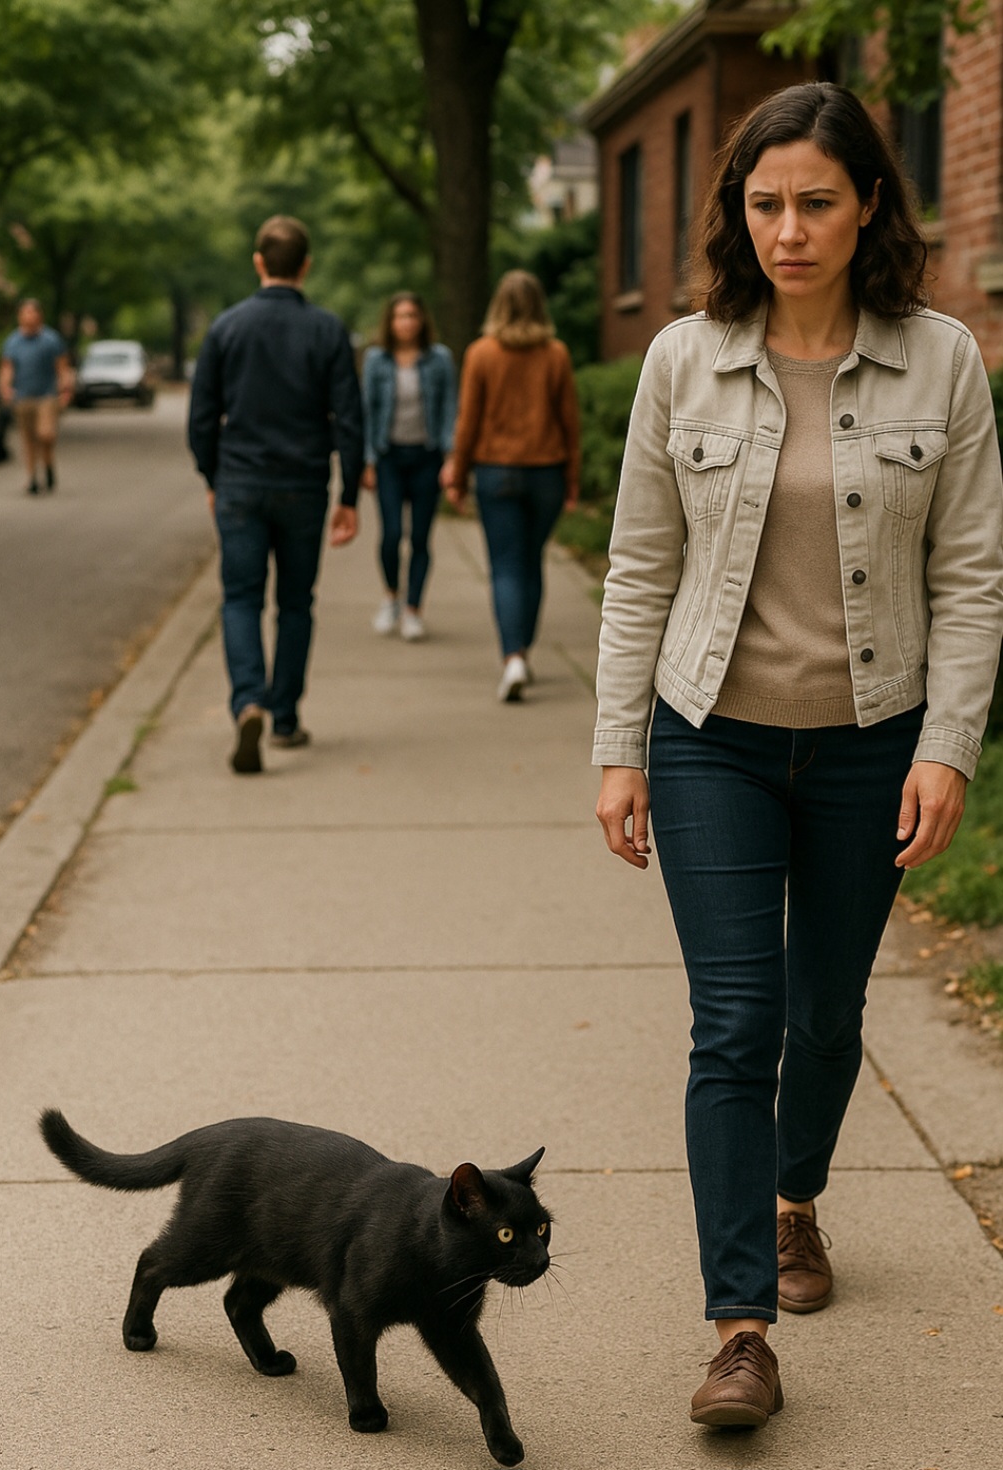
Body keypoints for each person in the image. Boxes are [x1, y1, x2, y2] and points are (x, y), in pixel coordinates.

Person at [593, 82, 1003, 1429]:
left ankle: (794, 1196)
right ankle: (739, 1326)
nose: (789, 229)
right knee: (737, 1021)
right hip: (709, 736)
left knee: (826, 1013)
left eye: (816, 202)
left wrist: (947, 746)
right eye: (764, 204)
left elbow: (972, 570)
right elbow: (640, 565)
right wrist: (619, 748)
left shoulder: (940, 359)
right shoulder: (682, 360)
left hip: (869, 745)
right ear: (738, 213)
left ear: (870, 203)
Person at [188, 215, 363, 774]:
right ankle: (285, 717)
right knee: (294, 602)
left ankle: (248, 701)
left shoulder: (226, 328)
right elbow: (349, 420)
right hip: (303, 486)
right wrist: (350, 495)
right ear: (306, 265)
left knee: (240, 597)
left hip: (240, 481)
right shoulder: (328, 330)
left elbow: (199, 418)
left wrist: (213, 477)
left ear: (259, 262)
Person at [444, 270, 580, 701]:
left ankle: (513, 657)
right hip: (547, 472)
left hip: (496, 471)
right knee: (530, 561)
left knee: (505, 565)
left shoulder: (481, 353)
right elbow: (570, 424)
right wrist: (572, 482)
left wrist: (458, 473)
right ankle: (525, 649)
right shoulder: (555, 354)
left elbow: (468, 421)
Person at [362, 293, 456, 641]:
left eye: (413, 315)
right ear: (390, 322)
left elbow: (449, 406)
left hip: (426, 457)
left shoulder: (439, 359)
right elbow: (366, 410)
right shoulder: (376, 360)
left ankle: (414, 609)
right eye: (400, 316)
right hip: (388, 457)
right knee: (390, 535)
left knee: (419, 536)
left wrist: (450, 456)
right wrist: (367, 460)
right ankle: (391, 598)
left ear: (422, 320)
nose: (407, 322)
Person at [0, 299, 72, 496]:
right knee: (29, 439)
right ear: (19, 316)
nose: (29, 317)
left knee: (45, 434)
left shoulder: (51, 340)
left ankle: (48, 463)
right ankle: (32, 477)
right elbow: (7, 368)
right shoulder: (12, 342)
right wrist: (6, 388)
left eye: (32, 313)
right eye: (25, 313)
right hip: (23, 396)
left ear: (39, 316)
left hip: (47, 396)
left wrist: (66, 389)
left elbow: (62, 368)